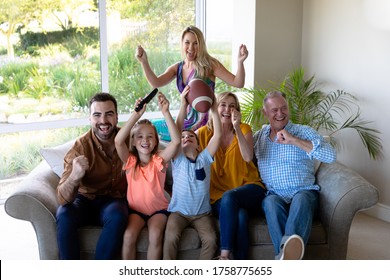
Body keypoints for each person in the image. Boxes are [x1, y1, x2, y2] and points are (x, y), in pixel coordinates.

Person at [253, 91, 337, 260]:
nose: (280, 113)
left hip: (304, 192)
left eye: (284, 108)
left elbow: (330, 156)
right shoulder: (258, 138)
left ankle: (283, 259)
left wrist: (294, 140)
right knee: (269, 203)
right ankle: (288, 260)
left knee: (301, 200)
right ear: (265, 113)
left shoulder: (303, 131)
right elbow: (242, 156)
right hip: (275, 195)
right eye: (274, 110)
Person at [56, 92, 129, 260]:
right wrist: (75, 176)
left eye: (109, 114)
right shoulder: (80, 147)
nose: (103, 121)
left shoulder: (129, 140)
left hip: (113, 200)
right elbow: (62, 198)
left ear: (117, 117)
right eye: (97, 115)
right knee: (64, 213)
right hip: (84, 199)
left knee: (118, 215)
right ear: (90, 119)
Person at [136, 25, 248, 131]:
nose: (191, 48)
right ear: (182, 44)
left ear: (201, 45)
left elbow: (238, 83)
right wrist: (144, 62)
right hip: (183, 121)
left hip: (204, 124)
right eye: (187, 43)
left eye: (196, 43)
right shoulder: (178, 68)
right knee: (151, 126)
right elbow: (156, 82)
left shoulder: (209, 65)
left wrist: (240, 62)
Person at [197, 92, 266, 260]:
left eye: (232, 106)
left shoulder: (244, 129)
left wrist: (236, 127)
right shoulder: (202, 134)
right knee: (240, 216)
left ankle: (224, 255)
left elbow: (248, 157)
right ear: (215, 108)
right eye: (223, 105)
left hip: (250, 188)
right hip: (217, 196)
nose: (227, 109)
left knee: (230, 197)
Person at [115, 92, 180, 260]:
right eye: (140, 137)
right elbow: (118, 141)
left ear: (156, 141)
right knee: (128, 236)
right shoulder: (129, 161)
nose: (145, 140)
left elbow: (176, 142)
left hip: (159, 210)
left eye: (150, 136)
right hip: (136, 211)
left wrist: (165, 112)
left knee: (155, 235)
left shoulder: (160, 160)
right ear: (134, 142)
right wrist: (136, 114)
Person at [163, 87, 222, 260]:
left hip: (202, 214)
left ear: (198, 145)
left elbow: (217, 135)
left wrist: (214, 109)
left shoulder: (204, 158)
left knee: (211, 240)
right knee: (171, 237)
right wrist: (183, 105)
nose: (186, 137)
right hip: (178, 213)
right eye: (182, 138)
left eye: (191, 136)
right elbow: (178, 128)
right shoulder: (178, 157)